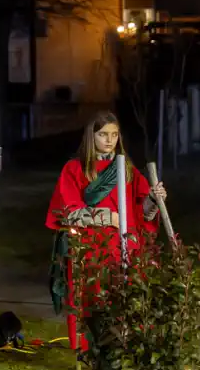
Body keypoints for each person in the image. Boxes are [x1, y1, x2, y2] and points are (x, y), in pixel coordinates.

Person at [44, 112, 167, 350]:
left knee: (124, 296)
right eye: (102, 134)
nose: (109, 140)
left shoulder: (127, 169)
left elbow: (141, 212)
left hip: (124, 245)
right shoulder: (75, 168)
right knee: (89, 298)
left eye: (114, 134)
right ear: (91, 136)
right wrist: (107, 217)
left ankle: (124, 347)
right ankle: (88, 350)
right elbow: (67, 212)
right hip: (90, 248)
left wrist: (153, 199)